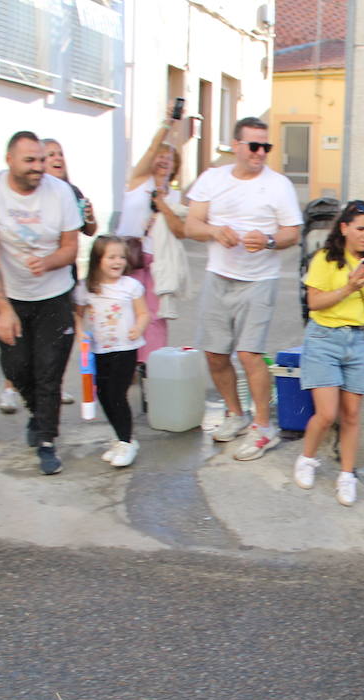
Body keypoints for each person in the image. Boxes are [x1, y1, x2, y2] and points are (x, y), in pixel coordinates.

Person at [0, 131, 83, 475]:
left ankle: (46, 438)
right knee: (16, 367)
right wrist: (3, 308)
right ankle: (37, 413)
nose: (38, 167)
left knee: (49, 369)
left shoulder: (60, 192)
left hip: (54, 294)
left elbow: (71, 248)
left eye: (42, 160)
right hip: (11, 295)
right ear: (9, 161)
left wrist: (49, 262)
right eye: (29, 160)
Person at [184, 116, 301, 462]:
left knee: (250, 354)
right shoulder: (212, 179)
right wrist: (214, 232)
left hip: (259, 280)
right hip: (218, 275)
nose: (260, 153)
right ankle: (236, 414)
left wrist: (267, 239)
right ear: (236, 146)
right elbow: (191, 224)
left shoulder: (278, 185)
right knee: (215, 353)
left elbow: (292, 232)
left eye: (266, 147)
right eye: (253, 146)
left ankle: (263, 428)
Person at [292, 200, 364, 506]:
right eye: (361, 228)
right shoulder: (325, 259)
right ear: (344, 228)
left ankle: (347, 476)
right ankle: (307, 459)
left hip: (358, 341)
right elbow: (315, 303)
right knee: (327, 414)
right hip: (323, 339)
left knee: (351, 414)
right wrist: (348, 288)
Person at [116, 117, 187, 368]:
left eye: (170, 158)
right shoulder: (138, 181)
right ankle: (124, 359)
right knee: (124, 308)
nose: (164, 159)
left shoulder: (175, 195)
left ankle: (152, 362)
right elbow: (151, 148)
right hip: (127, 257)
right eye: (160, 155)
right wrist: (168, 123)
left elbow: (181, 231)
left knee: (155, 314)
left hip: (157, 260)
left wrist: (162, 207)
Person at [75, 236, 148, 468]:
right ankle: (120, 438)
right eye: (112, 257)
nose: (118, 262)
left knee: (117, 395)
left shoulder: (131, 286)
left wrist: (139, 327)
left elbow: (144, 313)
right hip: (99, 350)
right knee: (104, 395)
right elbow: (77, 314)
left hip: (125, 350)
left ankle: (127, 441)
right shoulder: (87, 288)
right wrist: (80, 334)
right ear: (98, 260)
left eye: (122, 257)